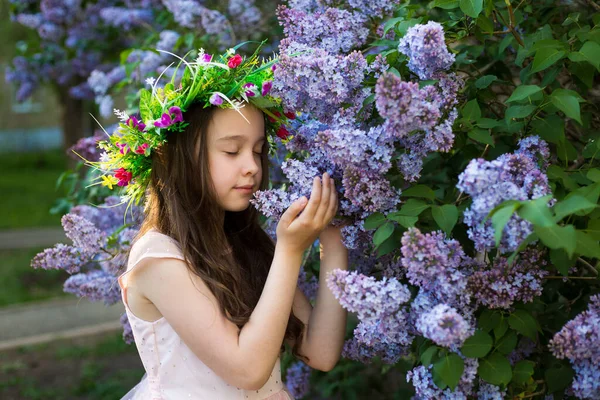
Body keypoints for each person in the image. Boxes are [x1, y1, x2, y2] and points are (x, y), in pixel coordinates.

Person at [96, 44, 349, 399]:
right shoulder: (158, 259)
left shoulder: (246, 244)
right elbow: (247, 370)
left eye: (258, 151)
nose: (252, 166)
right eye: (232, 151)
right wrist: (290, 251)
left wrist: (332, 239)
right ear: (181, 159)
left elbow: (318, 352)